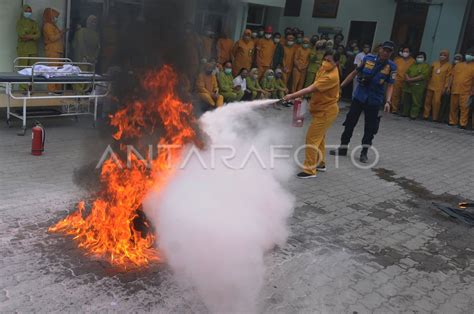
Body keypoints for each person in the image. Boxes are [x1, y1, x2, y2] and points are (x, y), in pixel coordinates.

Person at [331, 41, 397, 163]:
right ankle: (343, 148)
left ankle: (364, 153)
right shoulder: (368, 59)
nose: (386, 53)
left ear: (391, 53)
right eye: (384, 50)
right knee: (350, 122)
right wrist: (341, 86)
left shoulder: (392, 67)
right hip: (359, 96)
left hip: (374, 100)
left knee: (370, 128)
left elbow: (390, 86)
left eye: (389, 51)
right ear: (380, 49)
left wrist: (388, 101)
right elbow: (354, 73)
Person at [283, 51, 341, 178]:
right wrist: (301, 96)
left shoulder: (331, 76)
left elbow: (311, 89)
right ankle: (320, 163)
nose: (325, 62)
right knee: (319, 138)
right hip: (321, 109)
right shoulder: (324, 69)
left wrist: (292, 96)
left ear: (336, 63)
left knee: (312, 139)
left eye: (329, 61)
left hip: (326, 112)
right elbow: (312, 86)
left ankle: (309, 170)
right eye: (325, 59)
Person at [448, 49, 474, 129]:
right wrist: (449, 86)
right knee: (453, 107)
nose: (468, 55)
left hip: (467, 91)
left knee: (464, 108)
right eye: (467, 53)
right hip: (455, 89)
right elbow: (452, 76)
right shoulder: (458, 65)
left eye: (471, 54)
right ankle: (452, 121)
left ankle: (463, 124)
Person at [423, 50, 452, 121]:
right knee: (427, 101)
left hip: (440, 87)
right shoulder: (434, 63)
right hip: (431, 85)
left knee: (436, 102)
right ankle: (425, 115)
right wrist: (427, 83)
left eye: (444, 55)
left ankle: (435, 117)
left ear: (447, 57)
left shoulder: (449, 66)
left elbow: (448, 77)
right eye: (441, 54)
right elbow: (429, 74)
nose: (442, 56)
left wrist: (446, 87)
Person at [42, 8, 66, 93]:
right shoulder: (47, 25)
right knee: (53, 71)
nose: (56, 18)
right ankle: (51, 90)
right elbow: (52, 38)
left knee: (59, 71)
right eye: (54, 16)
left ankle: (57, 90)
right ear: (49, 16)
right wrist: (61, 33)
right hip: (52, 51)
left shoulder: (53, 25)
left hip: (58, 51)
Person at [402, 52, 430, 119]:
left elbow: (423, 76)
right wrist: (407, 78)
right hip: (408, 85)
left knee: (416, 101)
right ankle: (405, 113)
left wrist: (411, 80)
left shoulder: (426, 66)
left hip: (418, 86)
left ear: (424, 58)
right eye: (418, 57)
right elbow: (406, 72)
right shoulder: (413, 65)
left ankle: (413, 115)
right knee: (406, 99)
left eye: (421, 57)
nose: (419, 58)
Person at [392, 46, 415, 113]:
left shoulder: (413, 61)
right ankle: (394, 109)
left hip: (407, 80)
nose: (405, 53)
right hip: (397, 79)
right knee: (395, 95)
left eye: (407, 51)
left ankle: (403, 110)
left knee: (405, 96)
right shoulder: (397, 60)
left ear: (410, 53)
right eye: (404, 51)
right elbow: (393, 70)